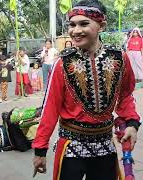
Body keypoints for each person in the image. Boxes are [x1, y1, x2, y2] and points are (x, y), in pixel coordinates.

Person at [32, 1, 141, 180]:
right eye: (72, 25)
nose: (76, 30)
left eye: (84, 24)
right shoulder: (63, 63)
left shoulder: (119, 59)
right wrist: (40, 149)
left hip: (105, 145)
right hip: (71, 147)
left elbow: (125, 96)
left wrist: (131, 123)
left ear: (101, 26)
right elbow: (50, 108)